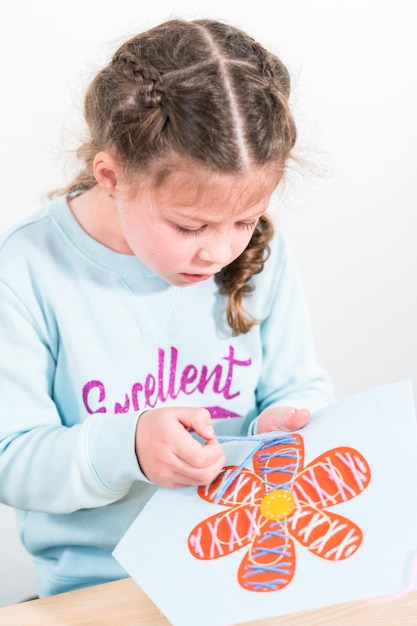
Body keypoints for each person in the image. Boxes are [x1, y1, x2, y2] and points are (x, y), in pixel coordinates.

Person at [0, 18, 335, 598]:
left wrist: (287, 424)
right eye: (189, 225)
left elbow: (298, 388)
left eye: (245, 219)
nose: (221, 249)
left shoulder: (257, 256)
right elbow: (13, 460)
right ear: (112, 176)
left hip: (249, 572)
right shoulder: (27, 269)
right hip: (100, 590)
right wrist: (128, 447)